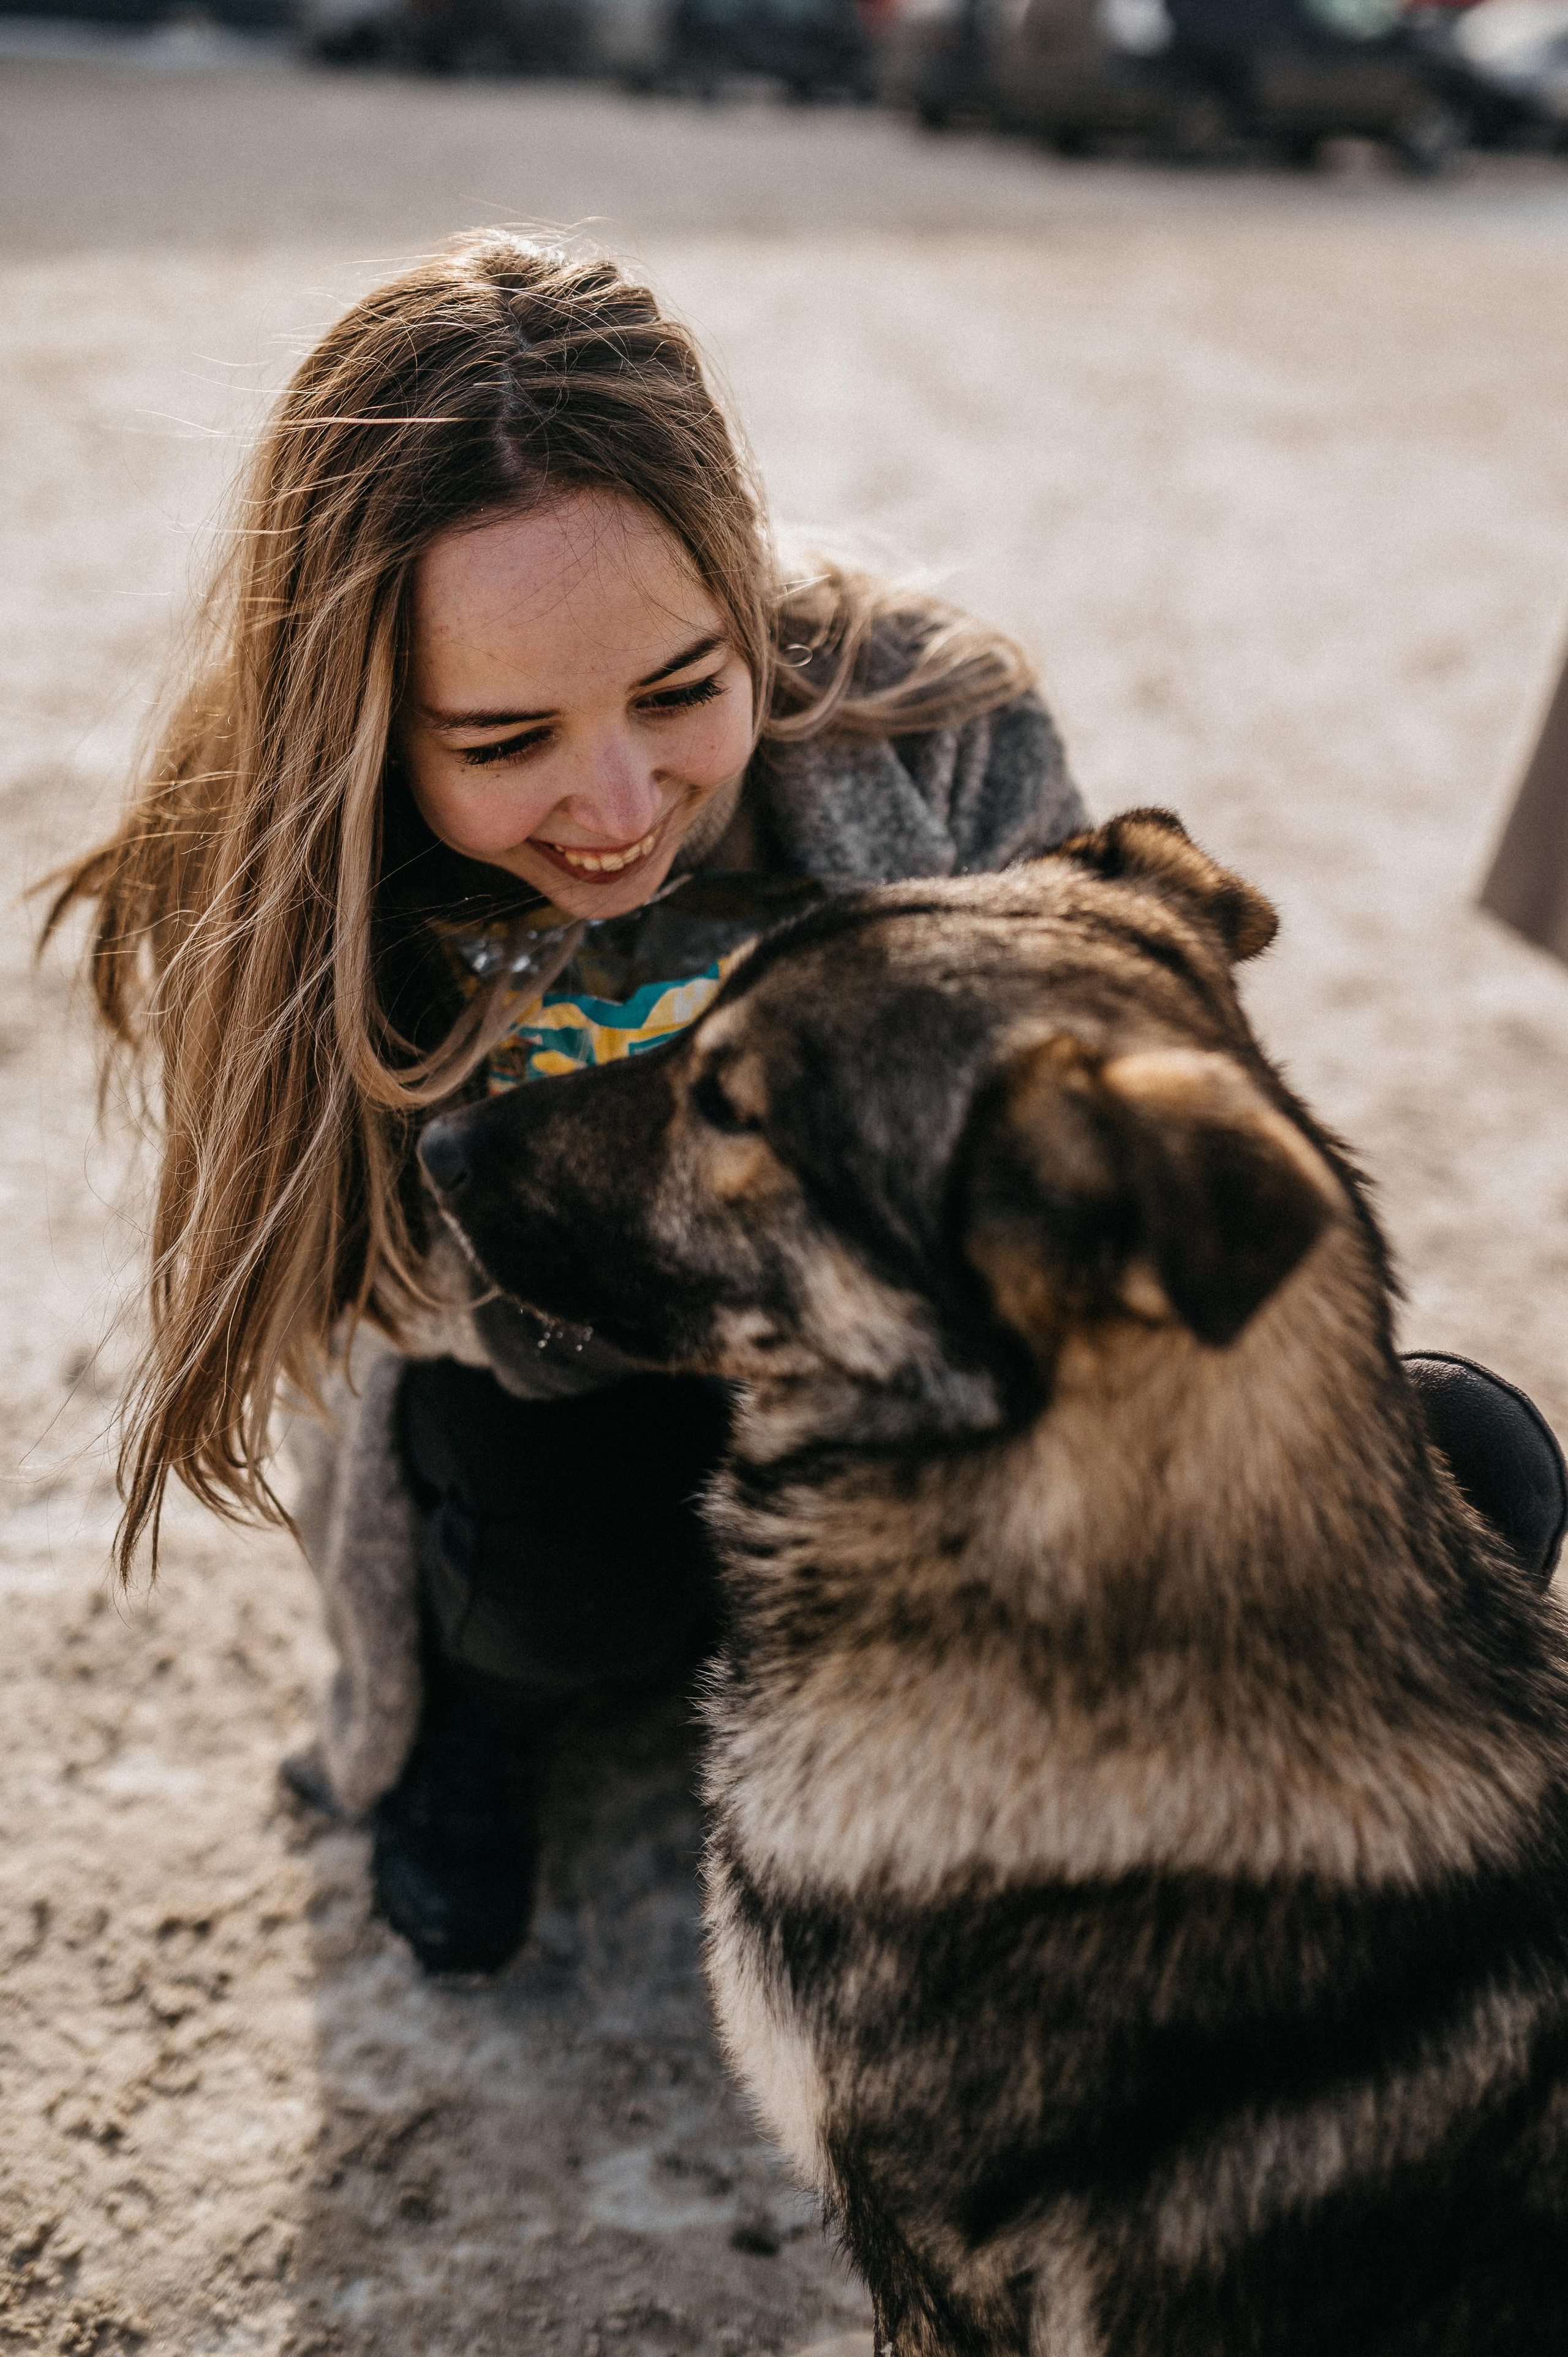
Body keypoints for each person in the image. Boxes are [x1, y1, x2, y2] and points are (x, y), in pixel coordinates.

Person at [47, 233, 1566, 1979]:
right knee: (554, 1526)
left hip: (934, 1394)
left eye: (684, 691)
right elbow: (354, 1271)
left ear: (740, 585)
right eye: (503, 740)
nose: (616, 805)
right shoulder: (282, 864)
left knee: (1469, 1460)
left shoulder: (933, 713)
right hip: (569, 1395)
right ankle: (485, 1705)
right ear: (372, 726)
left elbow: (1084, 1062)